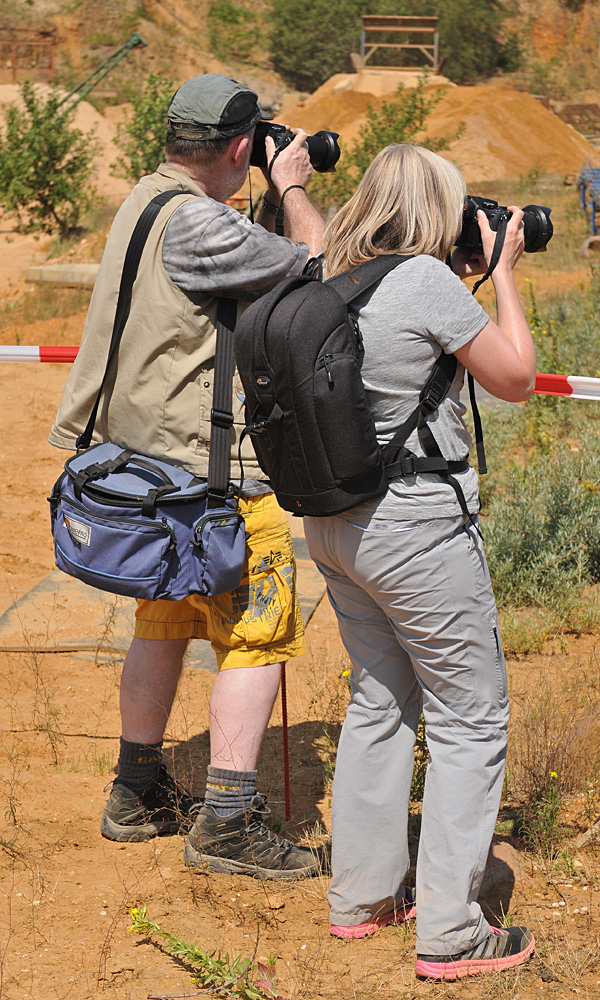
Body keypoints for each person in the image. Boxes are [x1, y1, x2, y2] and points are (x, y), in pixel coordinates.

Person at [48, 74, 325, 879]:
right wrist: (294, 187)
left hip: (144, 468)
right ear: (241, 147)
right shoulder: (207, 225)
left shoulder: (146, 199)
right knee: (257, 637)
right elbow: (319, 265)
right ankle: (230, 822)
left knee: (163, 626)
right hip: (217, 485)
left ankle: (136, 789)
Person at [302, 144, 537, 976]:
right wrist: (504, 272)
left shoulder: (323, 273)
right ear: (438, 208)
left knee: (378, 699)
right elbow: (514, 379)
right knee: (470, 718)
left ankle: (360, 898)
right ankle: (450, 930)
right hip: (412, 528)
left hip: (333, 527)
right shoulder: (424, 282)